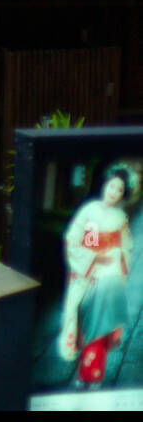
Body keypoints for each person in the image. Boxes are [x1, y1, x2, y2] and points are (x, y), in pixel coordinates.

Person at [58, 163, 138, 386]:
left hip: (110, 275)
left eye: (119, 190)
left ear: (123, 194)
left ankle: (93, 374)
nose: (113, 192)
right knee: (85, 324)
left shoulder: (120, 217)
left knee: (101, 327)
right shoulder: (90, 211)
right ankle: (86, 372)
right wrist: (94, 258)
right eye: (111, 186)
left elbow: (127, 246)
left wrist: (118, 259)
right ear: (105, 185)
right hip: (90, 271)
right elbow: (74, 239)